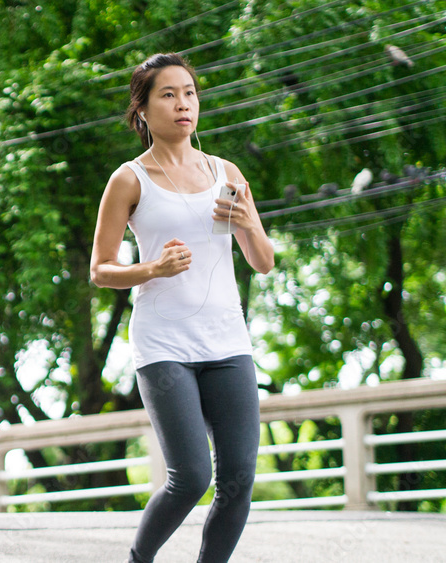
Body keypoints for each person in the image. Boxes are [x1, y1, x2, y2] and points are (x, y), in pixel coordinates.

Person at [89, 53, 274, 563]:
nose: (182, 104)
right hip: (163, 343)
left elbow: (262, 262)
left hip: (227, 341)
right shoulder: (129, 180)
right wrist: (152, 269)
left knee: (238, 479)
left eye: (188, 93)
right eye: (167, 95)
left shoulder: (225, 172)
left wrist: (249, 223)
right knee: (191, 476)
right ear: (143, 110)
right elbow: (100, 269)